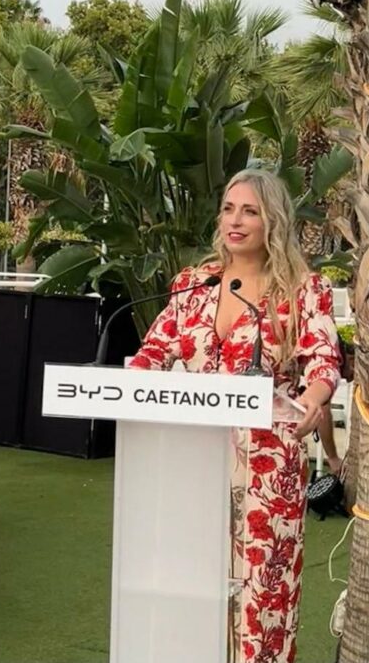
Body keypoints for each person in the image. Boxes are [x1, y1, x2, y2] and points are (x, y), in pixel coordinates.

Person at [129, 168, 341, 663]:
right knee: (190, 584)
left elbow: (323, 360)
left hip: (268, 466)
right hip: (192, 460)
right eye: (229, 209)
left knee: (262, 599)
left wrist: (315, 396)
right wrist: (122, 385)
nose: (235, 221)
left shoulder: (302, 290)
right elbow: (151, 354)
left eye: (250, 211)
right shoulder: (193, 284)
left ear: (274, 221)